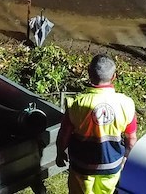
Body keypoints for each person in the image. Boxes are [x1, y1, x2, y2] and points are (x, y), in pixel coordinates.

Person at [56, 54, 137, 194]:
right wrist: (126, 158)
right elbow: (131, 139)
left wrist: (60, 152)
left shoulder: (77, 103)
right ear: (114, 77)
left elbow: (64, 134)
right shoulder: (126, 104)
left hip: (82, 167)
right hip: (111, 166)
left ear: (89, 74)